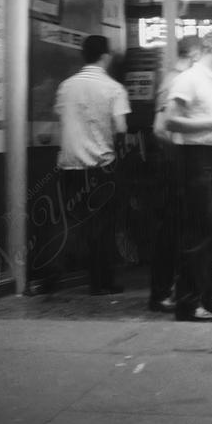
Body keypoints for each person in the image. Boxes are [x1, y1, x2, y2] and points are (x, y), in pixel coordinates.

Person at [165, 30, 212, 322]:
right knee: (199, 232)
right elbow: (171, 120)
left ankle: (206, 297)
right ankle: (188, 302)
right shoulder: (189, 78)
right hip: (197, 161)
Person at [54, 34, 131, 296]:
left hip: (69, 166)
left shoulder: (66, 86)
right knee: (103, 227)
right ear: (106, 57)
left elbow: (61, 117)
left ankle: (62, 277)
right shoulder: (114, 89)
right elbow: (121, 128)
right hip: (101, 167)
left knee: (77, 226)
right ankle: (101, 282)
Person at [148, 34, 203, 313]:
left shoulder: (177, 78)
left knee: (174, 229)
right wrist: (178, 152)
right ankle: (159, 294)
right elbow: (160, 127)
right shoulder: (175, 80)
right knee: (168, 230)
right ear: (194, 55)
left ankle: (167, 290)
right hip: (170, 162)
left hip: (172, 161)